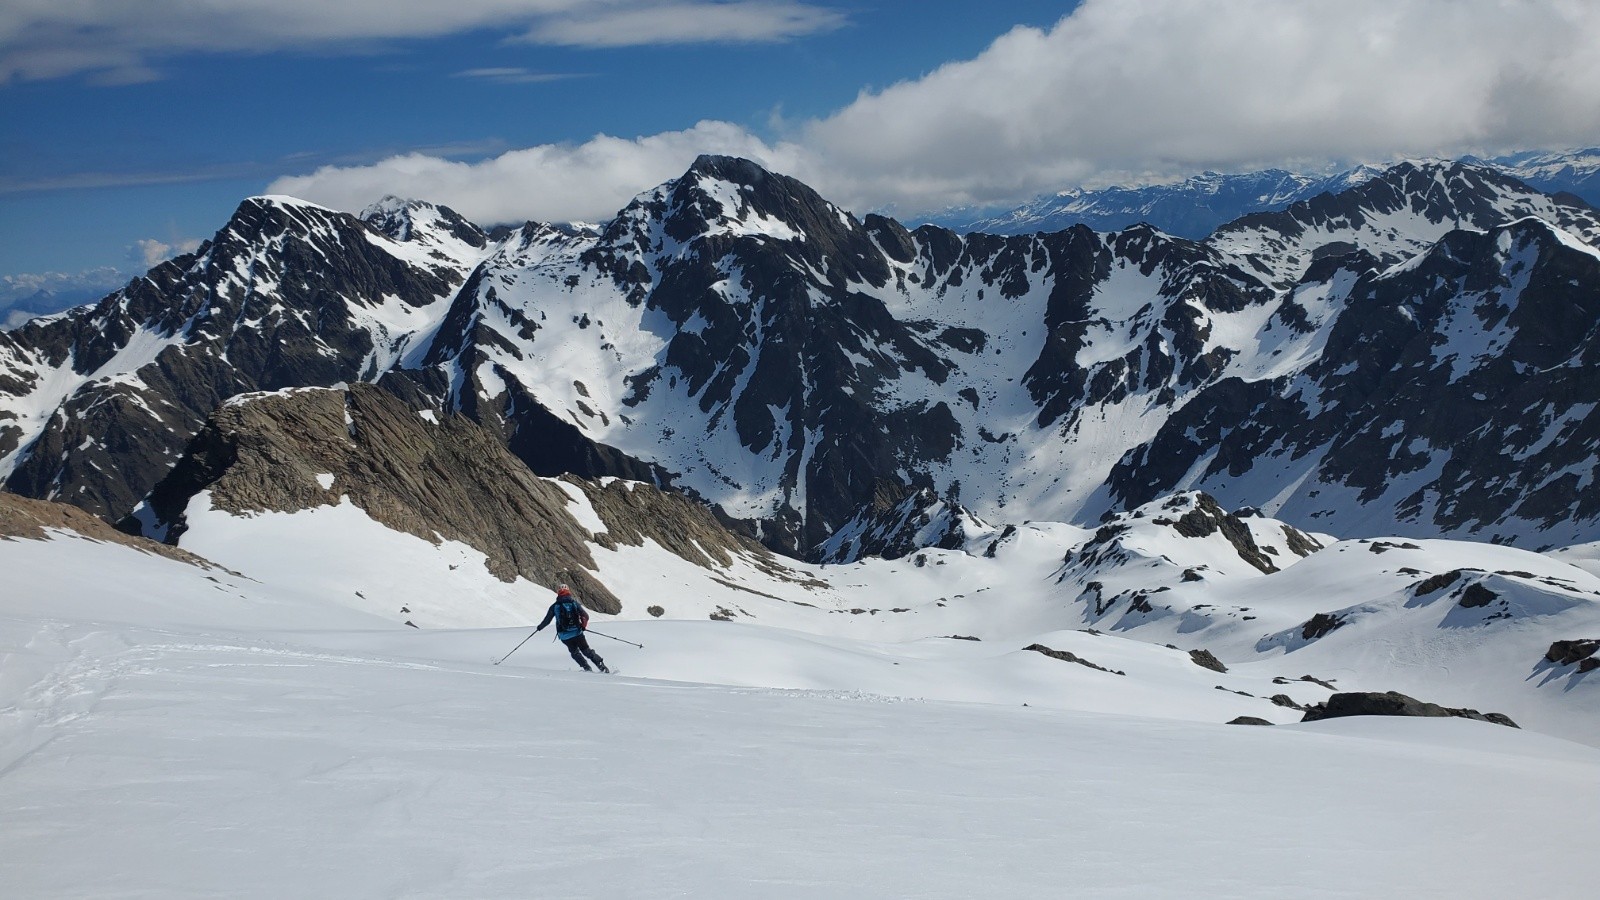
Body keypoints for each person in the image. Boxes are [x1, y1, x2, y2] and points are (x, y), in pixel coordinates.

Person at [535, 584, 609, 673]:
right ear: (568, 591)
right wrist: (583, 626)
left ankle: (587, 668)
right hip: (578, 633)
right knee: (586, 651)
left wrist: (539, 627)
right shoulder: (574, 603)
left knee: (575, 653)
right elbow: (585, 616)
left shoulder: (555, 606)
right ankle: (602, 667)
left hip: (565, 636)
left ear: (558, 592)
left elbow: (547, 620)